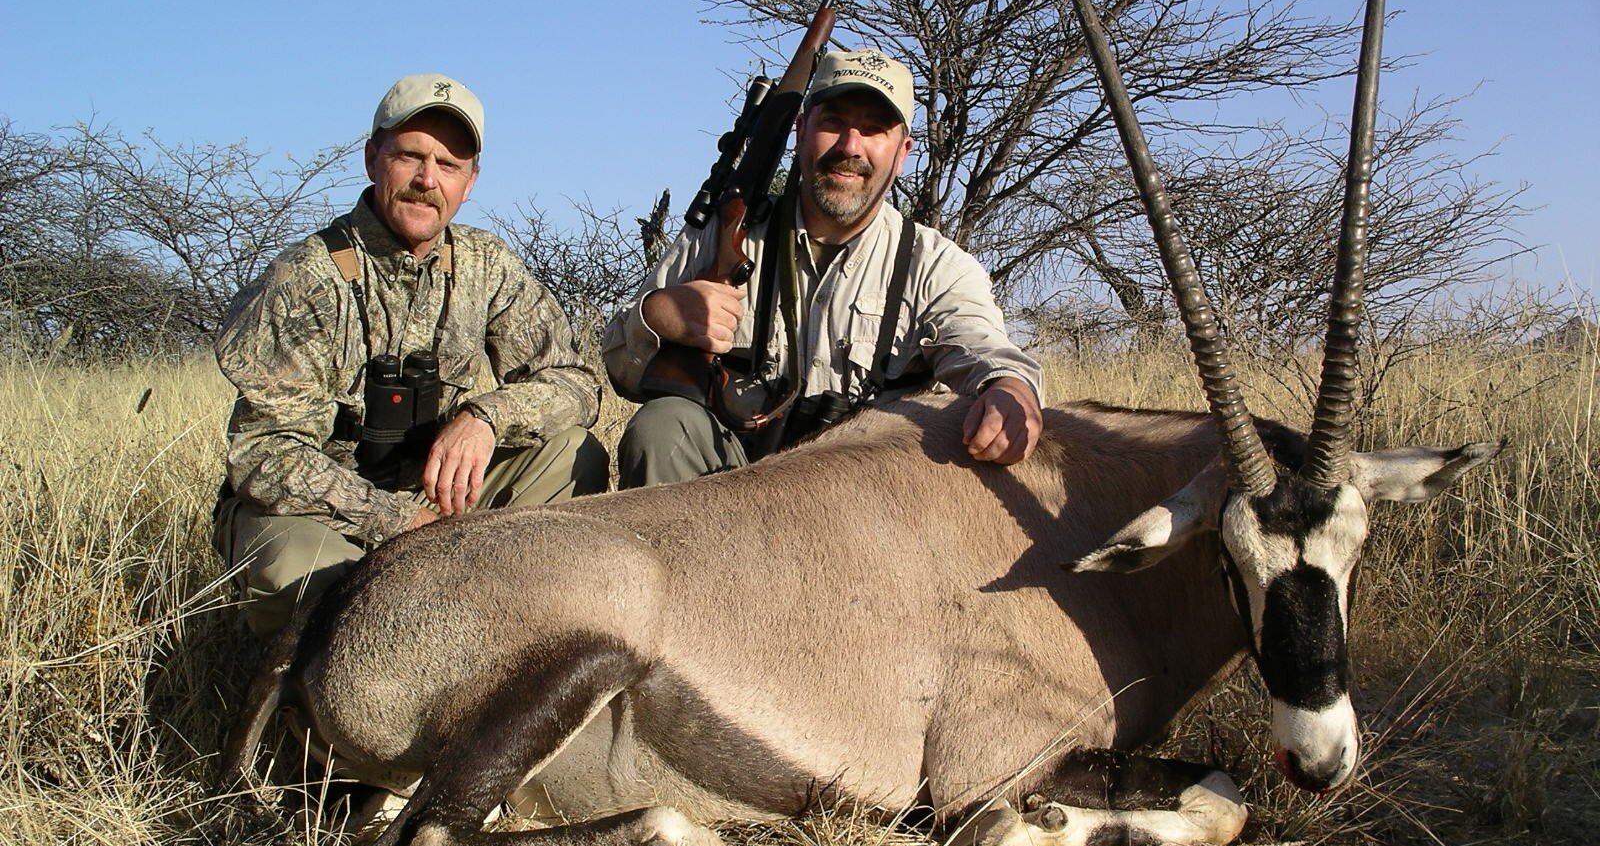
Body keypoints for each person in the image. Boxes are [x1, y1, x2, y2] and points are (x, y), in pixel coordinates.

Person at [214, 73, 608, 639]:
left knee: (574, 453)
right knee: (307, 580)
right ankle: (308, 714)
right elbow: (264, 456)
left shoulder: (486, 263)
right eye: (410, 157)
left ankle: (522, 649)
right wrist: (401, 522)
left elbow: (576, 384)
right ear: (374, 159)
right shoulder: (303, 278)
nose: (428, 180)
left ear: (471, 181)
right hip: (326, 513)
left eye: (449, 165)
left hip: (439, 498)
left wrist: (486, 417)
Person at [602, 48, 1043, 487]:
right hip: (728, 492)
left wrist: (1009, 387)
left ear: (902, 151)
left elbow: (980, 346)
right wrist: (659, 315)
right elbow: (621, 369)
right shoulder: (722, 231)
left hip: (864, 504)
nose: (850, 147)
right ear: (800, 130)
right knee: (662, 427)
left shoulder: (938, 266)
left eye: (873, 130)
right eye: (833, 122)